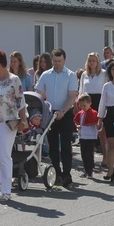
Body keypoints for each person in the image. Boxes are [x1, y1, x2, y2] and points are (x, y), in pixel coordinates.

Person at [0, 50, 27, 201]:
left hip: (7, 124)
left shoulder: (14, 80)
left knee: (4, 156)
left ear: (0, 65)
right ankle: (0, 182)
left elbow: (21, 102)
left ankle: (6, 191)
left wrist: (23, 120)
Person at [36, 48, 79, 187]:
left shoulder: (70, 75)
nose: (57, 63)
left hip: (65, 113)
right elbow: (39, 93)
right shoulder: (46, 75)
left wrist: (63, 111)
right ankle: (56, 172)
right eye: (55, 61)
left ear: (64, 60)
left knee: (66, 145)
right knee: (52, 145)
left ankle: (66, 174)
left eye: (59, 61)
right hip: (50, 113)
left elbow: (72, 96)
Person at [79, 52, 108, 169]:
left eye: (94, 60)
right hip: (87, 103)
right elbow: (81, 90)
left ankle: (105, 157)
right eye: (90, 60)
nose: (91, 63)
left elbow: (106, 90)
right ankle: (89, 161)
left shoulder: (104, 74)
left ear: (97, 62)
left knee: (101, 132)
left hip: (99, 102)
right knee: (88, 132)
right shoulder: (84, 75)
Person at [74, 93, 99, 178]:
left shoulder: (94, 113)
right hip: (82, 136)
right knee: (83, 155)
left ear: (90, 103)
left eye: (84, 105)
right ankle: (86, 170)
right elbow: (76, 122)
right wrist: (77, 126)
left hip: (91, 137)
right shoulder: (81, 113)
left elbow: (97, 124)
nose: (82, 107)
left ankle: (90, 170)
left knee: (89, 154)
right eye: (81, 106)